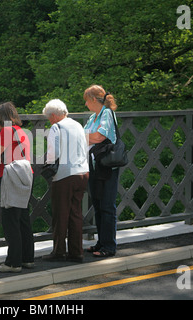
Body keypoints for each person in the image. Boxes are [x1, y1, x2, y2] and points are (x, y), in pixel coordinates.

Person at [0, 102, 34, 272]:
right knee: (23, 218)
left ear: (0, 117)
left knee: (10, 220)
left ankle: (13, 263)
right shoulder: (22, 131)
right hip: (26, 174)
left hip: (11, 177)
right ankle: (28, 258)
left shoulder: (6, 131)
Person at [42, 99, 89, 262]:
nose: (50, 121)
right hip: (82, 172)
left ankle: (59, 251)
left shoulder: (57, 127)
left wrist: (47, 163)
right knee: (75, 213)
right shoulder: (78, 125)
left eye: (49, 118)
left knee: (60, 214)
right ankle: (77, 252)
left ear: (54, 115)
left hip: (64, 175)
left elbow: (53, 153)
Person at [83, 85, 120, 258]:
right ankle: (101, 242)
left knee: (107, 206)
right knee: (98, 205)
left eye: (86, 100)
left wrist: (81, 136)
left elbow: (99, 136)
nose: (85, 104)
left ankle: (109, 246)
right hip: (94, 165)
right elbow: (92, 136)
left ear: (93, 99)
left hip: (106, 166)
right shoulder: (92, 117)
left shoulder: (107, 114)